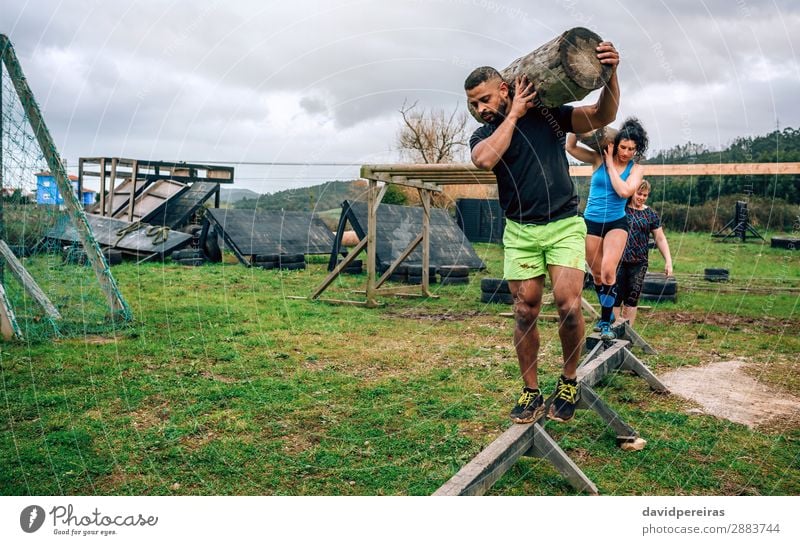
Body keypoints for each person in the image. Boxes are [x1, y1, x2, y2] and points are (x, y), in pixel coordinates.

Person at [465, 41, 620, 424]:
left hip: (564, 223)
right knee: (524, 310)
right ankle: (530, 390)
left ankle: (568, 381)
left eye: (484, 99)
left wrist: (610, 75)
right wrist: (513, 114)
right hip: (519, 231)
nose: (480, 109)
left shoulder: (549, 115)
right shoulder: (482, 136)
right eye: (472, 105)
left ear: (504, 87)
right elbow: (484, 161)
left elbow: (602, 114)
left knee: (568, 305)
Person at [565, 117, 648, 340]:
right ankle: (607, 315)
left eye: (632, 149)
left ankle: (604, 322)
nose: (626, 153)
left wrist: (611, 165)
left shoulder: (636, 169)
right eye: (623, 147)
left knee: (609, 270)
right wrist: (577, 122)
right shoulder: (596, 158)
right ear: (615, 143)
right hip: (591, 221)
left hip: (616, 222)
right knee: (598, 275)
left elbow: (624, 191)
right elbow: (570, 146)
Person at [613, 179, 673, 326]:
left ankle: (627, 335)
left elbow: (660, 238)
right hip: (618, 260)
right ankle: (612, 331)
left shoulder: (650, 214)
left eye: (645, 195)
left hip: (639, 263)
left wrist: (668, 261)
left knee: (632, 299)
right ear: (632, 192)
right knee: (615, 297)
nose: (641, 198)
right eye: (639, 194)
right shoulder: (621, 209)